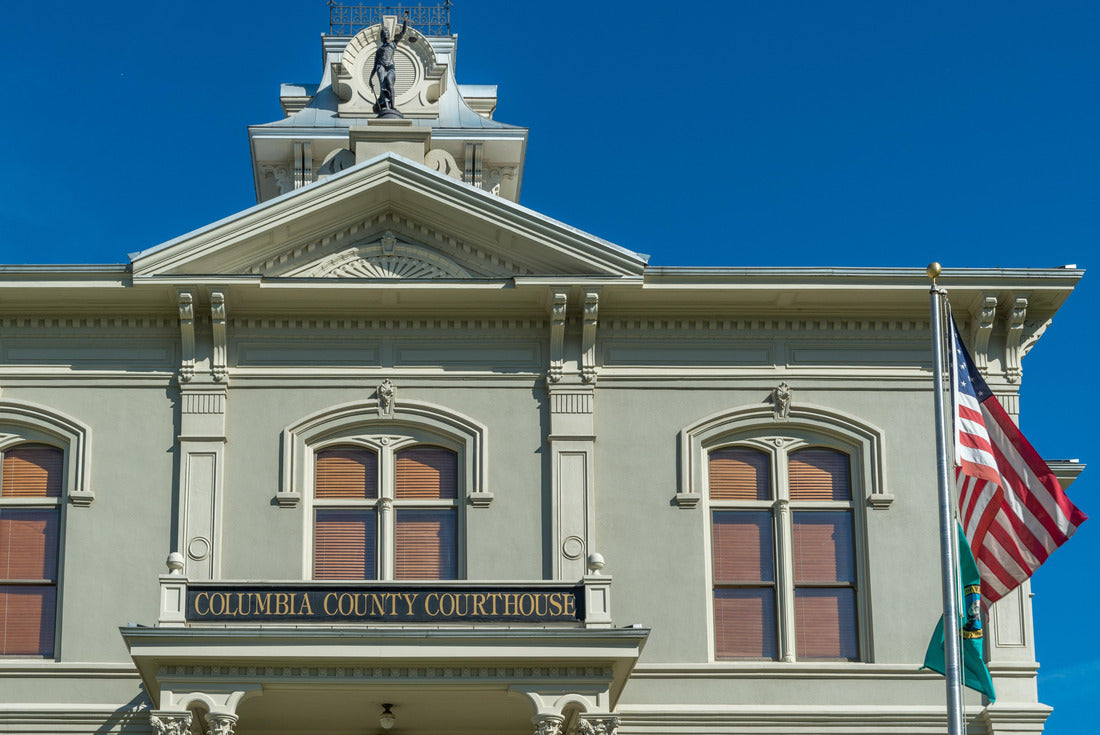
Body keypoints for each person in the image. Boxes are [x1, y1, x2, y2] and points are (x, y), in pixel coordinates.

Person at [369, 12, 409, 116]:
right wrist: (370, 79)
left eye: (387, 33)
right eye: (383, 34)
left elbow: (403, 32)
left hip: (390, 67)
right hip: (381, 67)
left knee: (389, 83)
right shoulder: (379, 50)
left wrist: (405, 20)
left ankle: (393, 106)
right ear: (381, 37)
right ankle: (386, 105)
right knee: (383, 86)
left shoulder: (393, 44)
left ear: (389, 35)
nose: (385, 34)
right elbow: (374, 66)